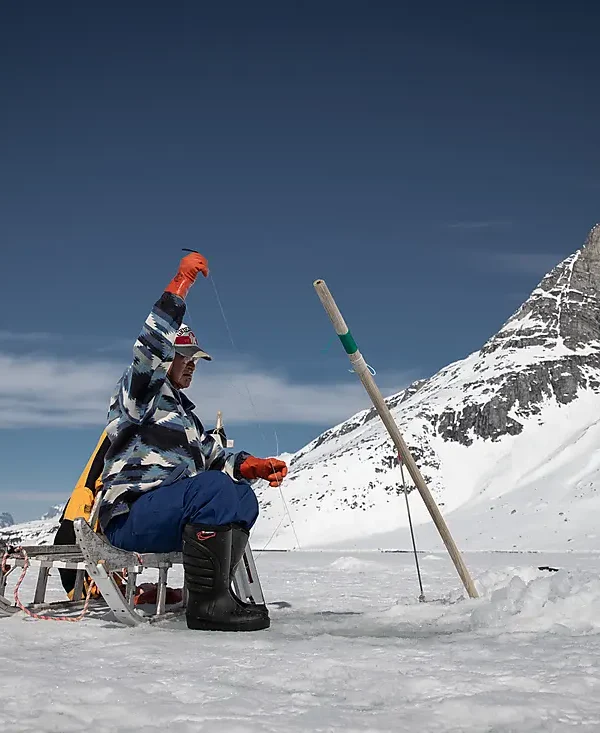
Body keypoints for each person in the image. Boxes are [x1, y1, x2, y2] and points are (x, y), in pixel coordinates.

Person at [98, 252, 288, 631]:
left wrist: (252, 466)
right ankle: (206, 608)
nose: (193, 365)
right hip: (131, 514)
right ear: (168, 358)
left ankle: (216, 595)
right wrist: (180, 285)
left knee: (240, 497)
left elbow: (215, 457)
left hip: (171, 513)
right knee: (214, 490)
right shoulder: (140, 395)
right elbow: (150, 346)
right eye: (186, 358)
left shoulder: (185, 417)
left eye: (196, 360)